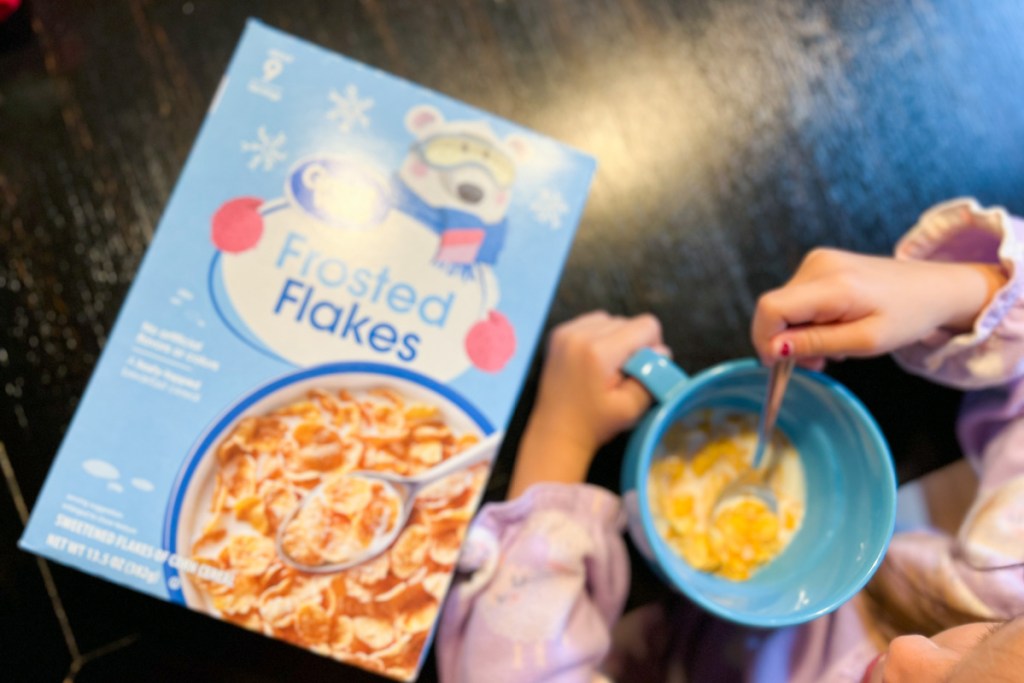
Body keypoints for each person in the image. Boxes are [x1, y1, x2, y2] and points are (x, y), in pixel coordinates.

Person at [435, 197, 1024, 682]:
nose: (911, 650)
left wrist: (559, 442)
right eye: (989, 640)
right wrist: (958, 292)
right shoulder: (1004, 586)